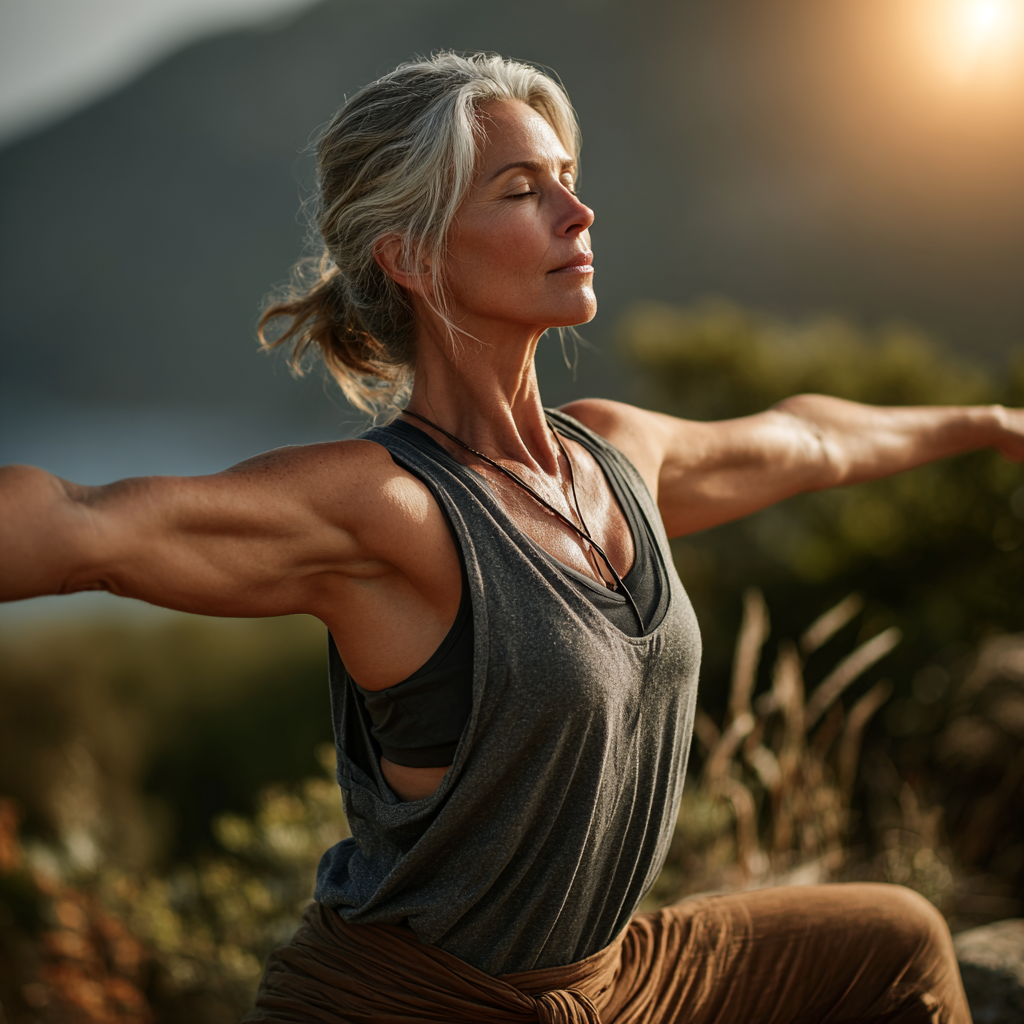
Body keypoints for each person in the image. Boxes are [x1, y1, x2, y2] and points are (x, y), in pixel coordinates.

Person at [0, 50, 1017, 1023]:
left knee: (896, 937)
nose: (579, 214)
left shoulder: (618, 456)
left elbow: (808, 439)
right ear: (411, 255)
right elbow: (77, 526)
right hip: (411, 1005)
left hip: (610, 981)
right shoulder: (387, 511)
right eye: (524, 190)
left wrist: (984, 424)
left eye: (567, 178)